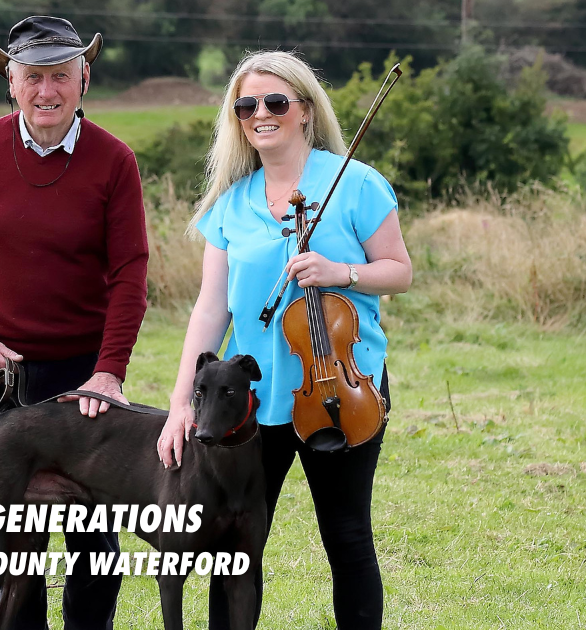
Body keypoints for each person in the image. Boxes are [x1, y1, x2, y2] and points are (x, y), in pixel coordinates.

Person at [156, 50, 413, 629]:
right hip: (248, 402)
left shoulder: (355, 183)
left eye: (275, 102)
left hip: (342, 389)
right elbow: (210, 308)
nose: (260, 114)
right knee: (231, 546)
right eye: (247, 105)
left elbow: (399, 270)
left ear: (305, 111)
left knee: (346, 537)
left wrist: (340, 272)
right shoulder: (231, 202)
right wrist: (180, 402)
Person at [0, 15, 148, 630]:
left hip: (84, 381)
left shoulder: (113, 161)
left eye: (60, 76)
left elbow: (130, 274)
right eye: (33, 77)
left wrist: (108, 373)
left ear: (84, 78)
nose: (46, 91)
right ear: (11, 84)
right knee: (7, 545)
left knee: (95, 544)